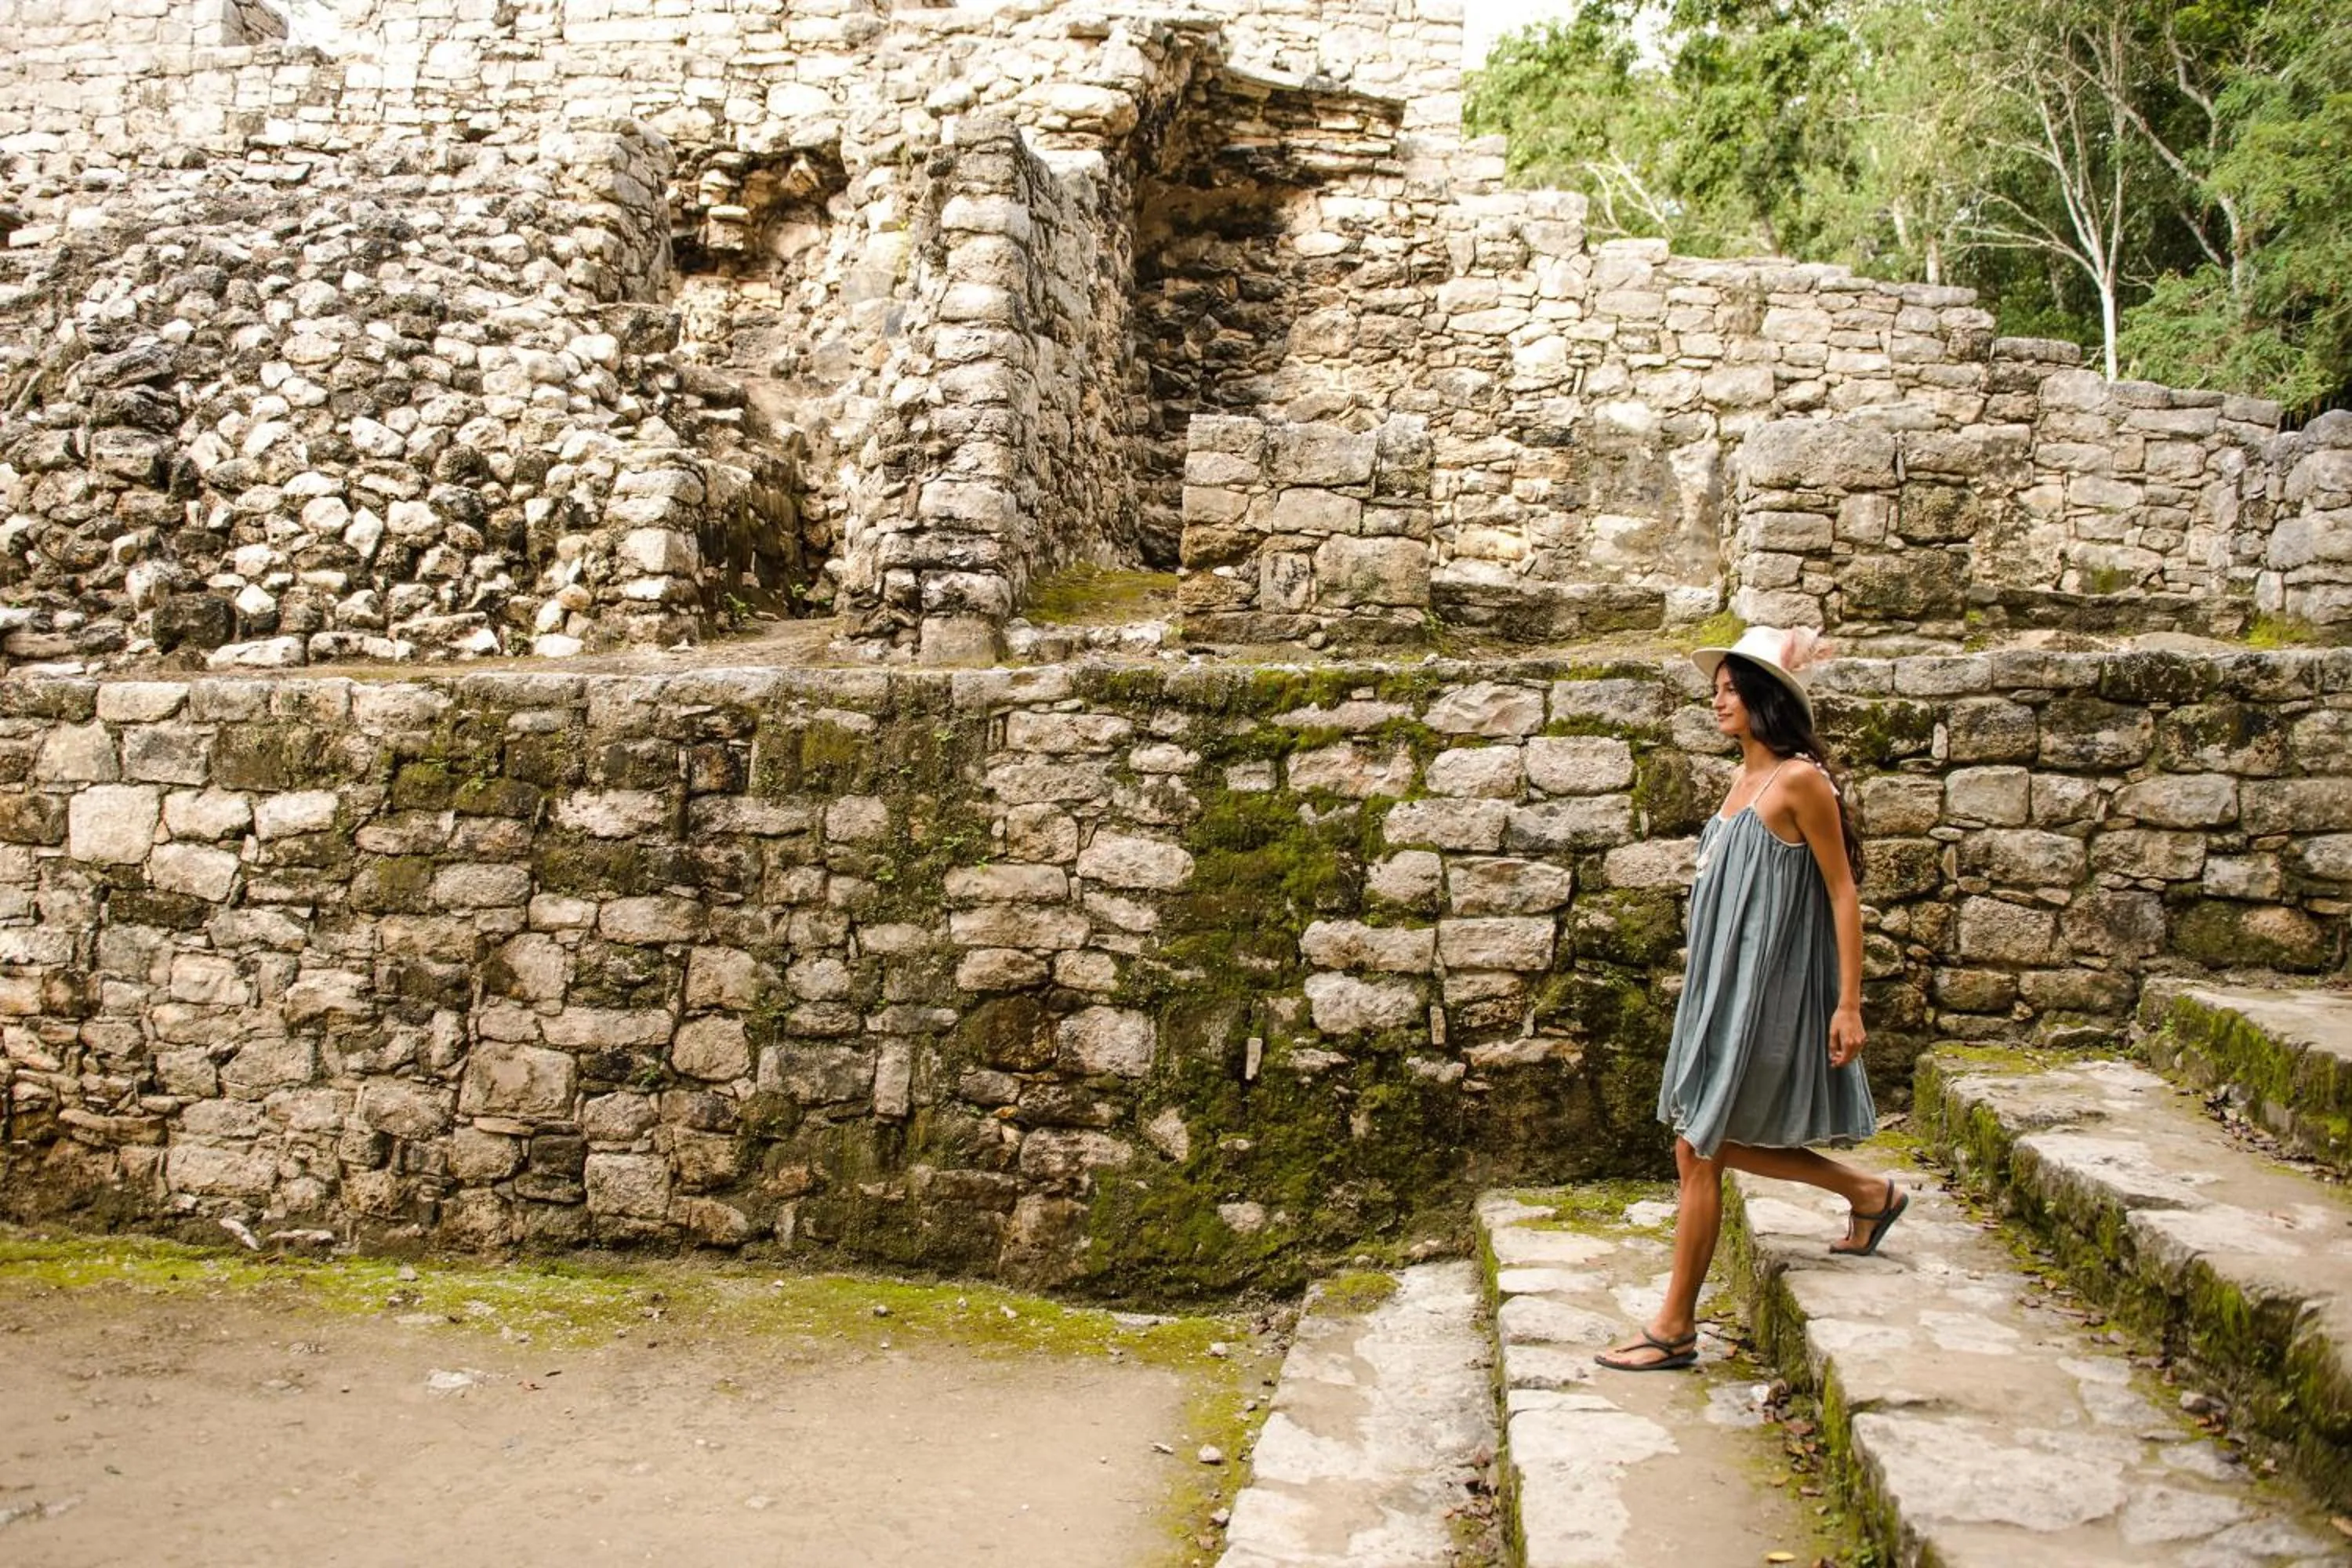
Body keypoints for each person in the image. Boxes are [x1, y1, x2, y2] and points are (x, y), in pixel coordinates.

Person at [1596, 624, 1902, 1374]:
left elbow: (1841, 890)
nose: (1718, 700)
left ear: (1766, 699)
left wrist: (1849, 1003)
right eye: (1718, 688)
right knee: (1701, 1138)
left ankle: (1674, 1328)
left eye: (1733, 689)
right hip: (1718, 984)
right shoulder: (1741, 783)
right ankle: (1868, 1191)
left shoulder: (1800, 781)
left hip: (1768, 987)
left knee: (1699, 1142)